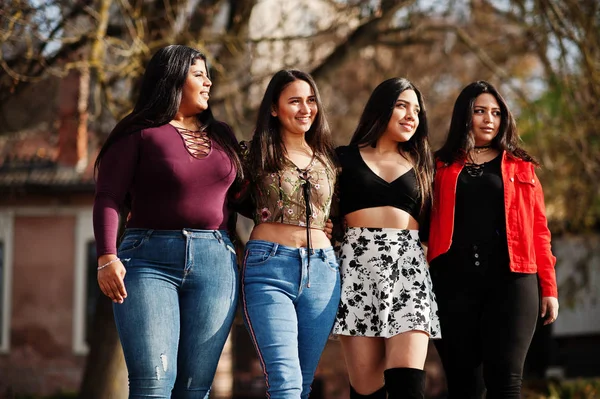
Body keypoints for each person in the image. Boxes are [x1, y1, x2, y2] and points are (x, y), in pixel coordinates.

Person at [93, 45, 242, 398]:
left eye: (208, 74)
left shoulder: (222, 135)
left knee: (196, 388)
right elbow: (108, 196)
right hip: (148, 261)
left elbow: (246, 197)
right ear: (173, 78)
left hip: (216, 264)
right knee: (154, 383)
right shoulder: (138, 132)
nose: (209, 82)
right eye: (199, 74)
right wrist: (106, 256)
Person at [427, 80, 559, 398]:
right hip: (452, 284)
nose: (489, 119)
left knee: (506, 381)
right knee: (464, 386)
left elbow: (540, 231)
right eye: (480, 111)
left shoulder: (522, 168)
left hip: (513, 281)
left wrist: (549, 288)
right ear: (464, 116)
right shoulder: (438, 166)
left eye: (496, 112)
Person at [332, 77, 441, 399]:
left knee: (408, 385)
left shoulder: (425, 165)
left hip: (409, 272)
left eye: (417, 110)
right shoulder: (342, 158)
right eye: (402, 106)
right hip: (357, 273)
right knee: (367, 390)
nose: (411, 116)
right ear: (382, 108)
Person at [239, 69, 340, 399]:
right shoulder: (252, 155)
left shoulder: (329, 161)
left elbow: (340, 213)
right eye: (294, 101)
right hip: (269, 268)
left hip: (323, 272)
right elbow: (220, 200)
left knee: (305, 382)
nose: (305, 109)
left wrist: (332, 226)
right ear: (273, 108)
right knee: (285, 381)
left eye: (311, 101)